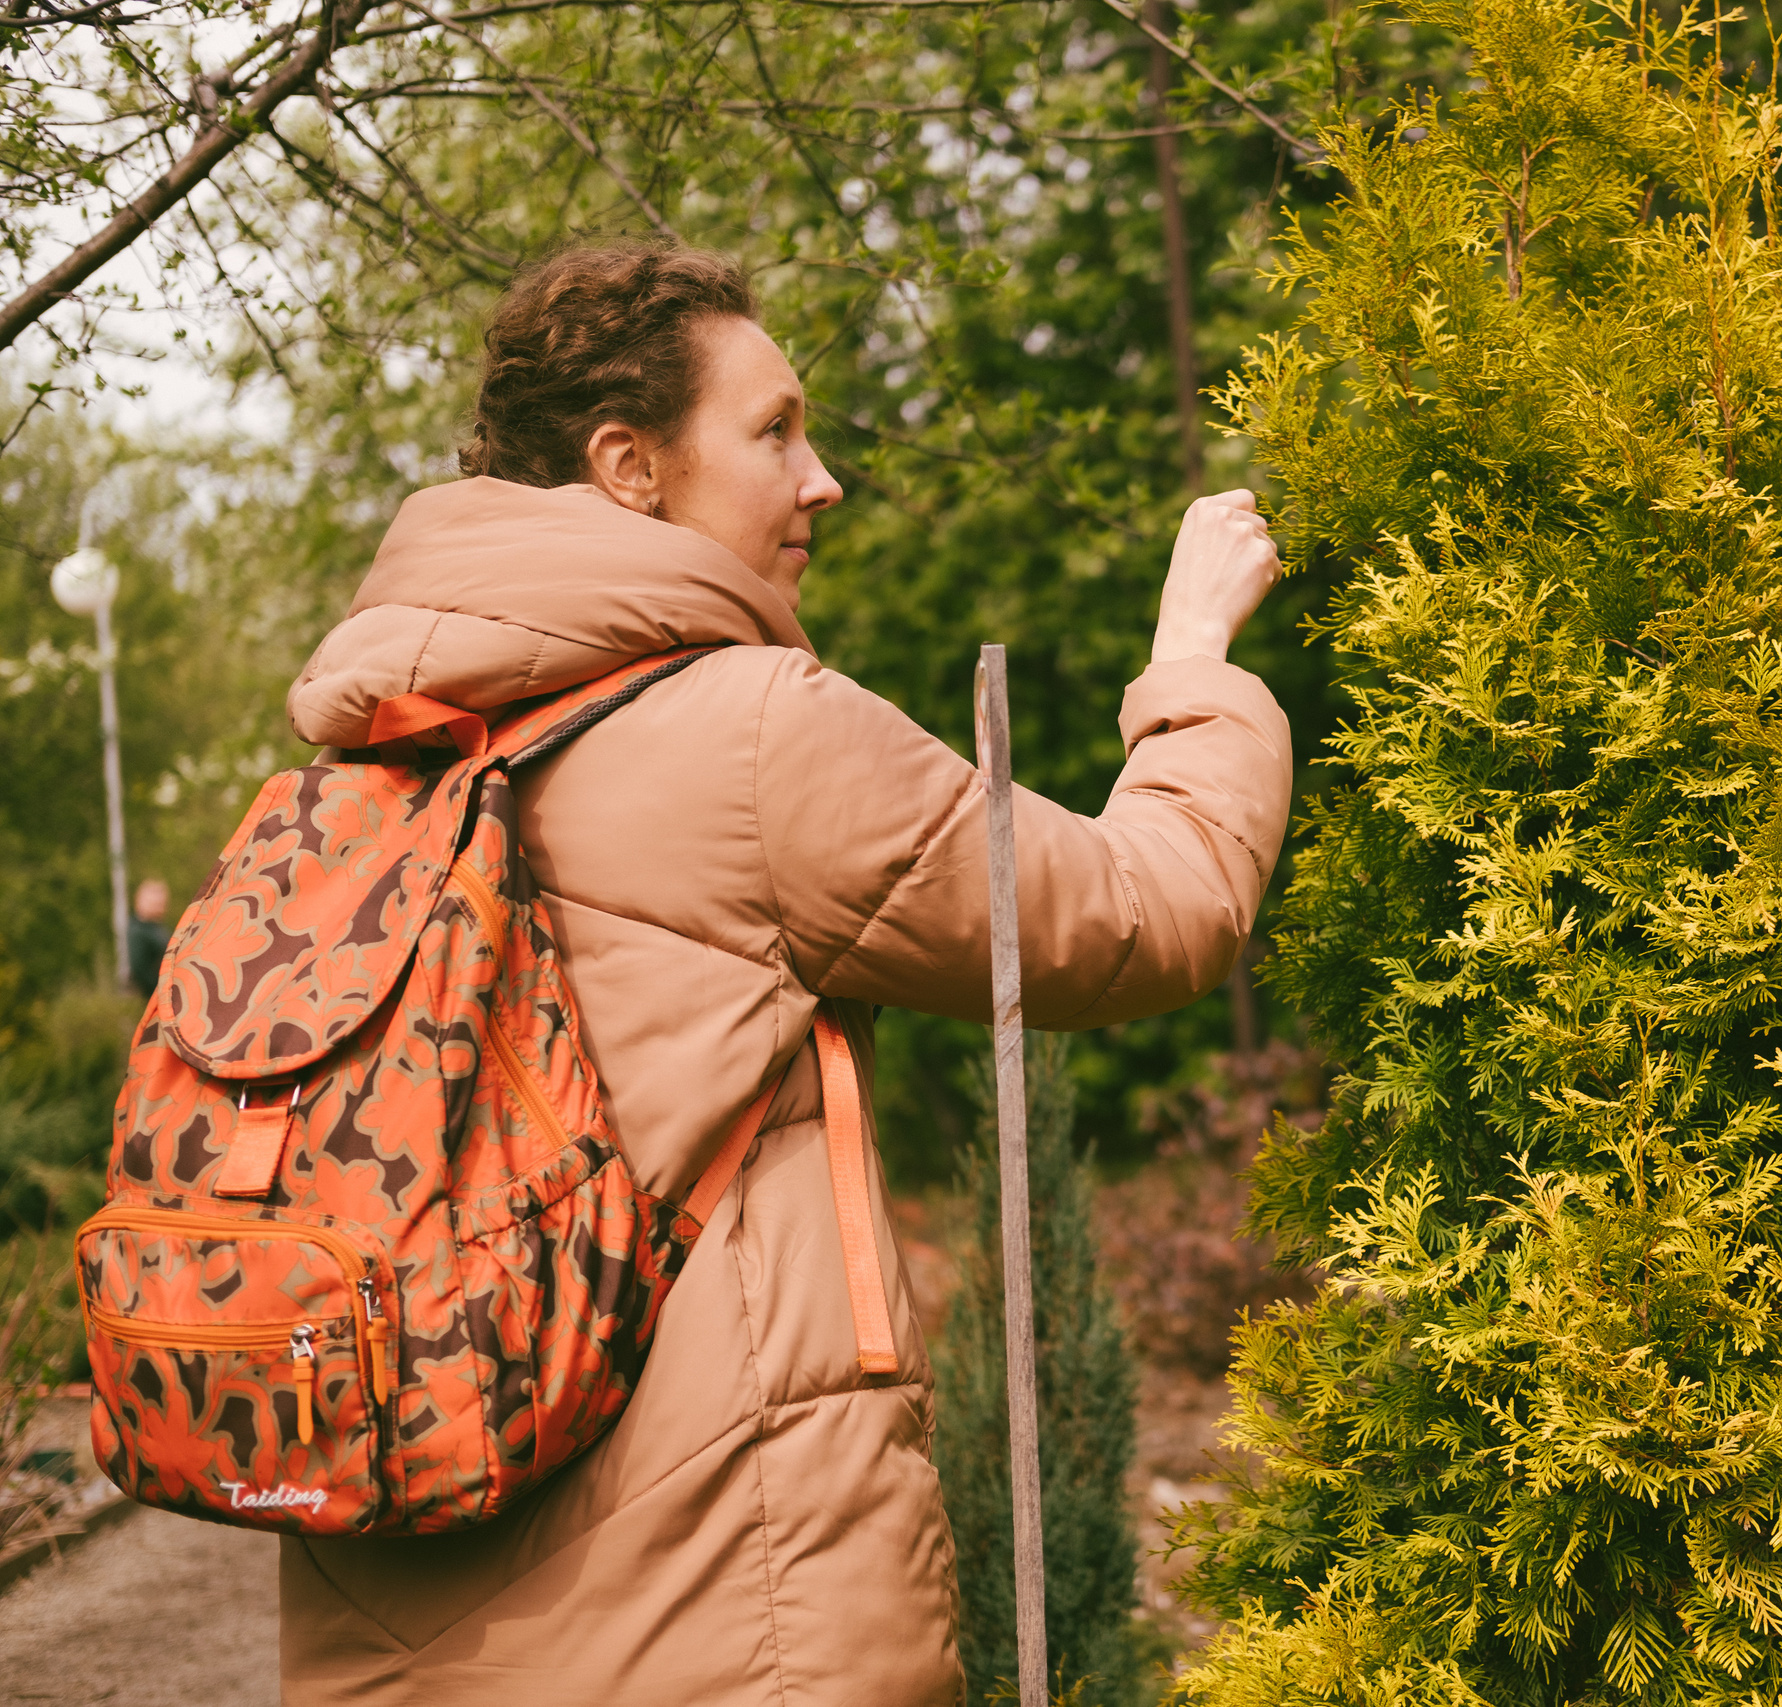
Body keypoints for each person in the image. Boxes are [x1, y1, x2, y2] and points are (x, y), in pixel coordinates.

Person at [275, 240, 1288, 1705]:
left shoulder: (374, 750)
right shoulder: (753, 732)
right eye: (774, 429)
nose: (823, 478)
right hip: (723, 1631)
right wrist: (1192, 657)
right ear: (630, 465)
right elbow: (1142, 913)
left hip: (397, 1624)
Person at [125, 877, 170, 994]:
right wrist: (159, 991)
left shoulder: (155, 928)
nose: (161, 907)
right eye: (156, 903)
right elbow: (139, 968)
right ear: (140, 901)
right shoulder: (138, 931)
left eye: (162, 903)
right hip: (147, 996)